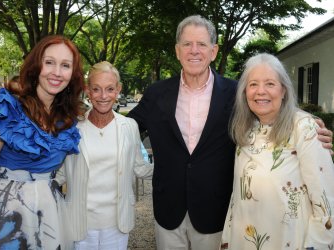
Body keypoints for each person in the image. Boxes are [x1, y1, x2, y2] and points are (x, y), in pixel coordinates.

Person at [128, 15, 334, 249]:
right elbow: (126, 128)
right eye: (187, 44)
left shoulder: (236, 93)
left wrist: (309, 123)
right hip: (168, 210)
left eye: (202, 44)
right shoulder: (156, 93)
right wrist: (84, 120)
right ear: (177, 50)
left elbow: (270, 104)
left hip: (215, 211)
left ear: (214, 51)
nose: (194, 51)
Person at [220, 53, 334, 249]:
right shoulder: (245, 130)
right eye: (253, 84)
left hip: (288, 241)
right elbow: (237, 197)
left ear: (283, 91)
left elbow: (326, 204)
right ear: (245, 91)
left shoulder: (304, 128)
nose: (260, 91)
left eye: (270, 84)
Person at [0, 35, 84, 249]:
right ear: (36, 65)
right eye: (49, 62)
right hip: (5, 215)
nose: (57, 72)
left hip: (50, 215)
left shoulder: (66, 119)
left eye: (65, 65)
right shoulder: (5, 110)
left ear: (72, 74)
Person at [55, 61, 153, 249]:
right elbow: (61, 173)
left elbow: (139, 168)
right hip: (79, 222)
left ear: (118, 90)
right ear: (88, 91)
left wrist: (171, 167)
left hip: (117, 223)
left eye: (109, 89)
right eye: (96, 89)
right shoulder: (72, 128)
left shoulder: (129, 126)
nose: (103, 96)